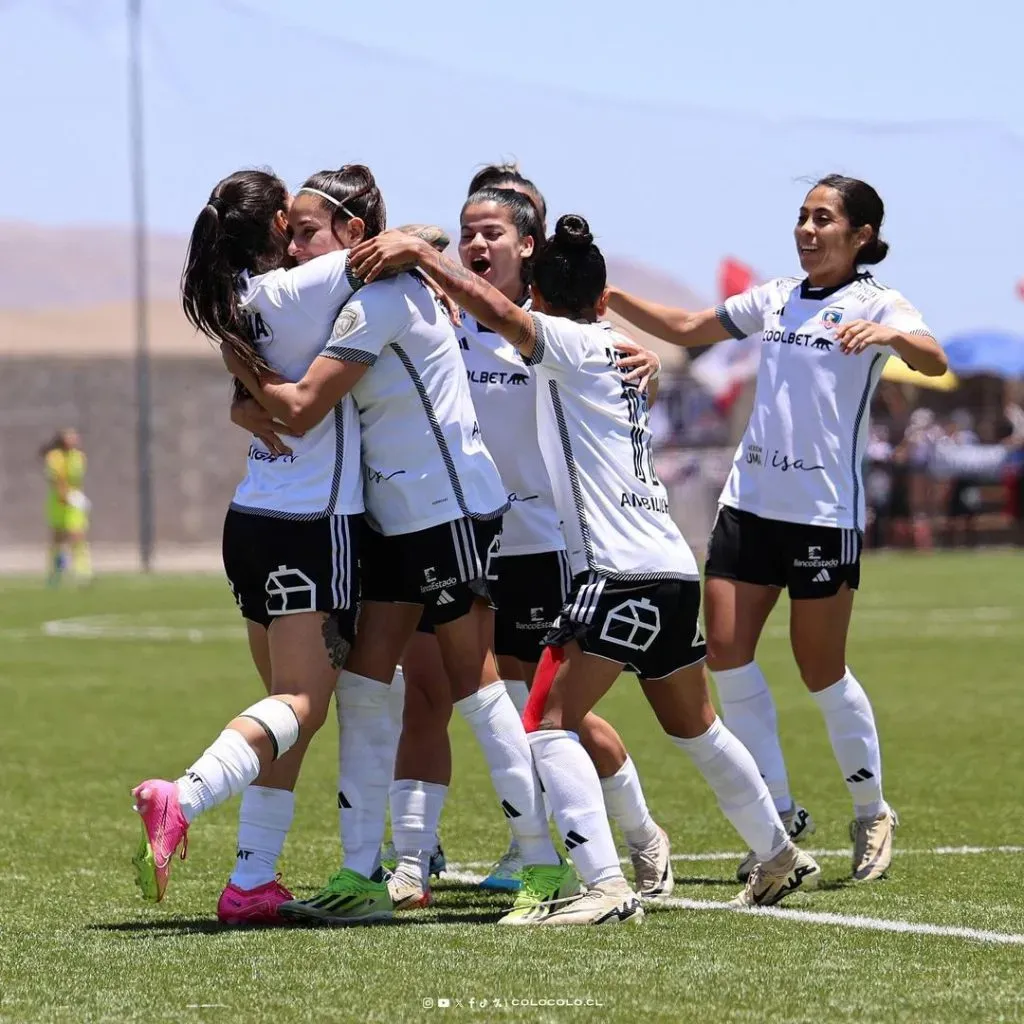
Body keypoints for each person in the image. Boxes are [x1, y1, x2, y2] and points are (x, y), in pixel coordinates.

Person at [350, 214, 822, 924]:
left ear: (540, 295)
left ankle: (603, 885)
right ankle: (778, 853)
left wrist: (421, 254)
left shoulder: (562, 343)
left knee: (542, 723)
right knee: (695, 725)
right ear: (604, 302)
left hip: (617, 571)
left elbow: (503, 314)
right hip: (670, 564)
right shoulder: (620, 352)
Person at [227, 170, 575, 925]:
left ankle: (542, 866)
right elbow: (261, 397)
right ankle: (361, 875)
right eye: (288, 231)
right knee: (362, 684)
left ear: (356, 233)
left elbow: (299, 408)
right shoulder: (344, 297)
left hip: (446, 511)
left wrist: (237, 358)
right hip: (391, 515)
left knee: (476, 689)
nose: (292, 244)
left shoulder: (382, 297)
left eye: (307, 228)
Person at [604, 174, 948, 884]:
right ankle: (779, 814)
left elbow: (932, 357)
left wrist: (889, 335)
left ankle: (872, 810)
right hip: (749, 505)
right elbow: (691, 328)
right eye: (802, 216)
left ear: (862, 237)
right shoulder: (777, 296)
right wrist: (608, 297)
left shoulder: (880, 301)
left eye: (824, 219)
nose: (807, 228)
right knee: (726, 655)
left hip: (823, 514)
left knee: (820, 671)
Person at [390, 186, 674, 904]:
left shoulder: (553, 329)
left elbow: (614, 384)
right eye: (466, 235)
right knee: (441, 695)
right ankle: (428, 856)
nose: (476, 245)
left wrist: (651, 370)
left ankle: (640, 835)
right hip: (461, 533)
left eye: (492, 233)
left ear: (530, 248)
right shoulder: (444, 312)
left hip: (537, 541)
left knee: (546, 707)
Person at [131, 168, 366, 924]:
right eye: (291, 222)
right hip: (309, 523)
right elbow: (406, 246)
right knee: (303, 702)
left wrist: (247, 387)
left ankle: (251, 882)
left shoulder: (234, 303)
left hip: (253, 517)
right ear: (275, 231)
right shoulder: (303, 288)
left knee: (282, 712)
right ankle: (182, 798)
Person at [40, 429, 91, 584]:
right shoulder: (54, 457)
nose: (74, 439)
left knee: (78, 534)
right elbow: (56, 479)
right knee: (58, 538)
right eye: (70, 437)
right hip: (58, 502)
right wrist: (65, 495)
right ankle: (56, 572)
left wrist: (76, 498)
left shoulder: (79, 457)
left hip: (73, 503)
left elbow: (77, 479)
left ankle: (82, 571)